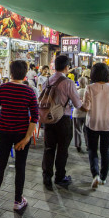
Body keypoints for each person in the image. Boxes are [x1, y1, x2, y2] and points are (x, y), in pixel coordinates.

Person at [0, 60, 38, 211]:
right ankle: (18, 202)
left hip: (5, 132)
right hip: (21, 134)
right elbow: (35, 117)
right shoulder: (29, 91)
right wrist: (27, 138)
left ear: (11, 72)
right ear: (25, 73)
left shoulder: (3, 88)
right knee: (20, 167)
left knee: (0, 165)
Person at [41, 55, 83, 188]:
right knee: (62, 149)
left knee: (49, 148)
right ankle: (60, 177)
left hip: (48, 118)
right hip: (63, 120)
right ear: (66, 67)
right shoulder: (68, 82)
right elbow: (77, 104)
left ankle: (47, 177)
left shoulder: (46, 81)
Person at [80, 64, 109, 188]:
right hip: (108, 124)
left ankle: (95, 175)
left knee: (92, 150)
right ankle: (103, 177)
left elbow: (86, 108)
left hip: (92, 123)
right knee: (105, 151)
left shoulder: (90, 87)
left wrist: (79, 105)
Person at [73, 77, 88, 152]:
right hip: (86, 113)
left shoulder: (76, 91)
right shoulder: (88, 91)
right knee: (86, 130)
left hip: (77, 113)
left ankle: (78, 145)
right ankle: (88, 144)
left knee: (77, 130)